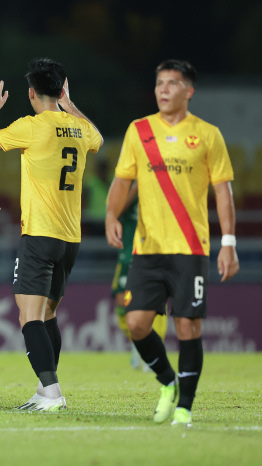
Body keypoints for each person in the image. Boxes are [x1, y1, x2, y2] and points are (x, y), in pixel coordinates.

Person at [106, 60, 238, 427]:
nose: (163, 89)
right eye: (159, 83)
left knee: (187, 328)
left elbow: (223, 189)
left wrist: (228, 242)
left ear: (188, 91)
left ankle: (184, 409)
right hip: (147, 249)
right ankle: (168, 382)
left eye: (172, 83)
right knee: (136, 324)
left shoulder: (207, 134)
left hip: (190, 249)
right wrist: (111, 215)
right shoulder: (139, 130)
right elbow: (121, 180)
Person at [0, 58, 103, 412]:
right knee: (47, 314)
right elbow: (99, 138)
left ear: (31, 93)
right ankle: (44, 387)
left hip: (39, 234)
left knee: (28, 316)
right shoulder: (78, 128)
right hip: (70, 239)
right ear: (61, 90)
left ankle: (51, 392)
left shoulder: (32, 126)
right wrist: (70, 104)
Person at [111, 182, 168, 370]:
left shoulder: (160, 187)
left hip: (154, 253)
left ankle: (153, 352)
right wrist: (135, 188)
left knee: (156, 303)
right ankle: (139, 344)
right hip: (128, 253)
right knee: (121, 304)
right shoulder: (124, 185)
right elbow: (113, 212)